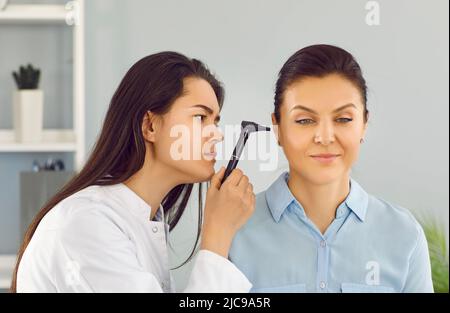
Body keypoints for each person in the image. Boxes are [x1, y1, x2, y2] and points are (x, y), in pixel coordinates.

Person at [12, 52, 255, 293]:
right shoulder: (87, 223)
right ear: (150, 126)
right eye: (200, 117)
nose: (217, 134)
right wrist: (217, 235)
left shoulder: (140, 218)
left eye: (216, 122)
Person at [229, 44, 433, 293]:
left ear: (364, 124)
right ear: (278, 128)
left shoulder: (404, 236)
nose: (325, 137)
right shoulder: (234, 231)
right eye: (304, 120)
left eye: (343, 119)